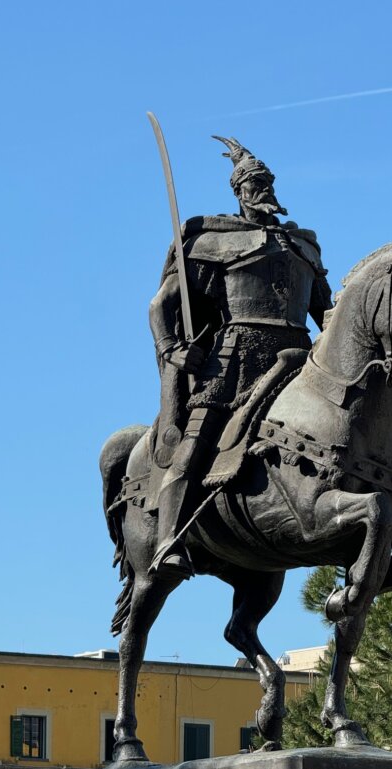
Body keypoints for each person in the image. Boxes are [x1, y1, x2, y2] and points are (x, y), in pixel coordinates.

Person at [148, 136, 332, 580]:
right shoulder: (213, 243)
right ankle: (169, 539)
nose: (263, 190)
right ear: (239, 192)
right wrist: (172, 349)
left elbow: (325, 312)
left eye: (267, 182)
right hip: (235, 359)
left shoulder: (303, 247)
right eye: (254, 184)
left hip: (298, 358)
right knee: (197, 442)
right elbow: (162, 306)